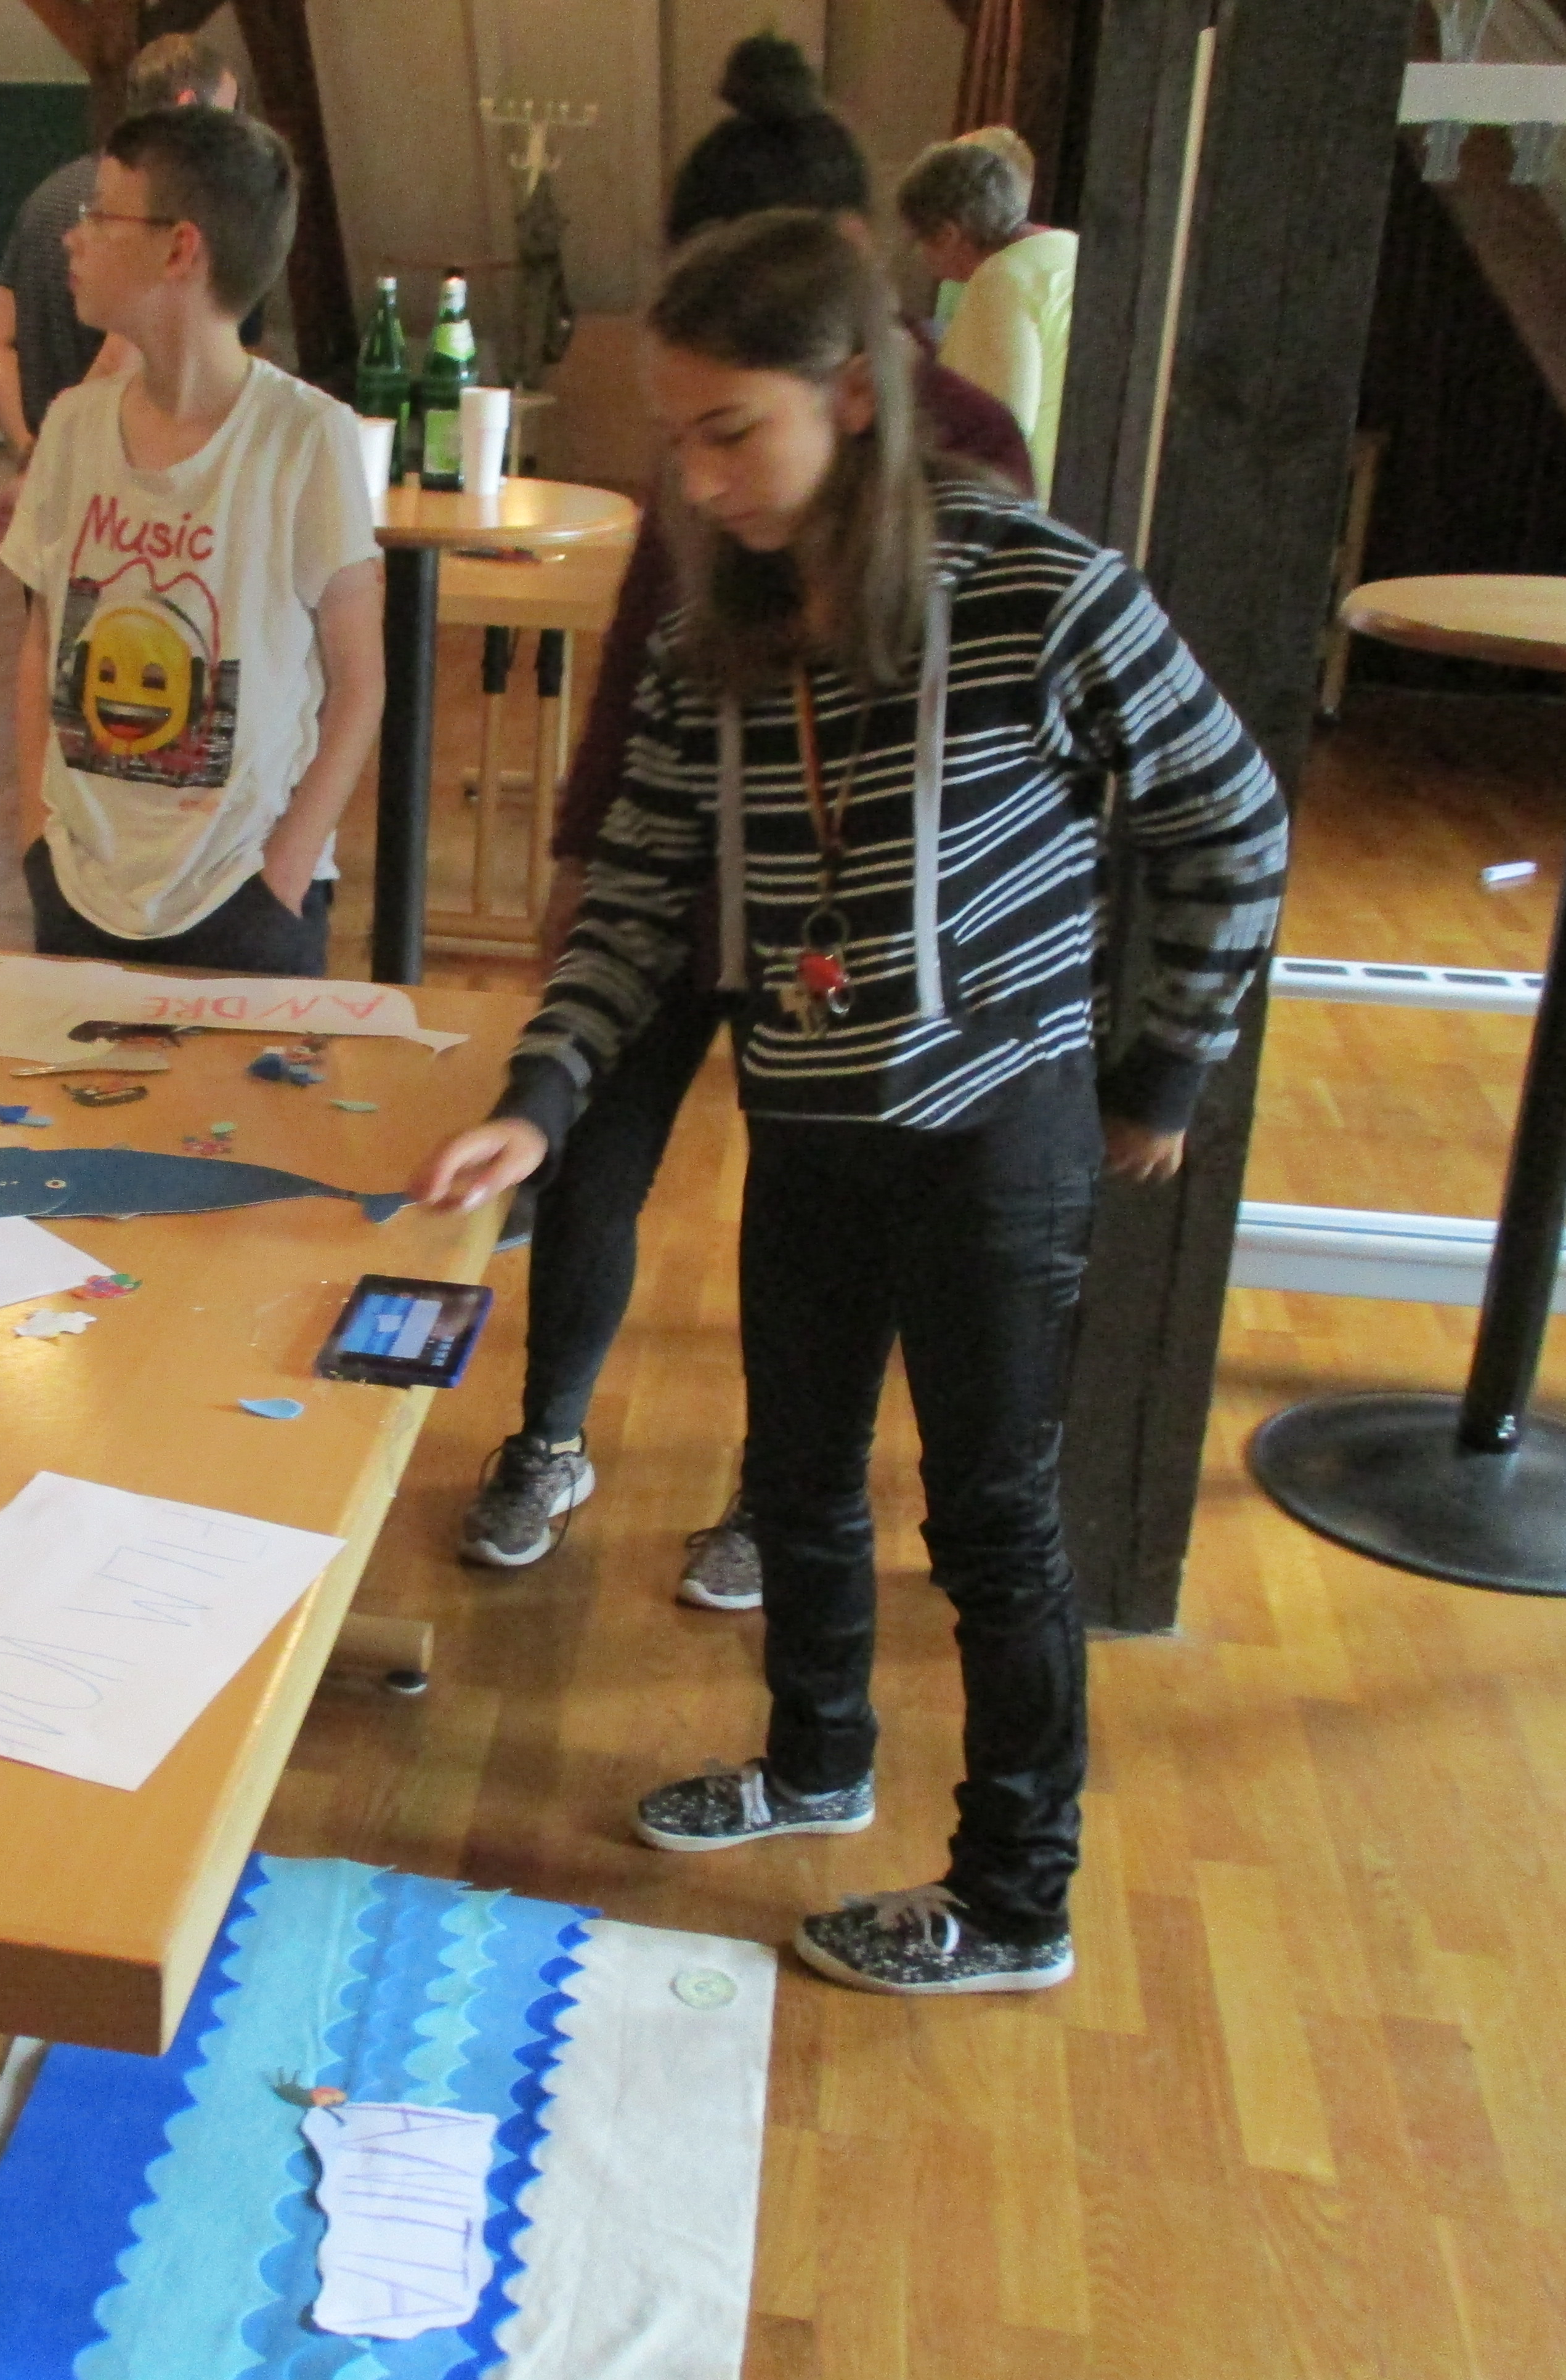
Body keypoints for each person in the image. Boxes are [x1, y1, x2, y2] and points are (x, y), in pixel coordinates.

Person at [411, 209, 1288, 1995]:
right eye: (678, 437)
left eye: (733, 431)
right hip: (807, 1117)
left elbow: (1233, 818)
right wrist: (545, 1096)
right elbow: (640, 895)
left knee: (993, 1528)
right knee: (797, 1478)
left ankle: (1018, 1903)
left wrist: (1165, 1065)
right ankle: (817, 1763)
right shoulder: (708, 635)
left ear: (856, 399)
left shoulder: (1044, 591)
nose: (698, 479)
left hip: (997, 1138)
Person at [458, 32, 1034, 1598]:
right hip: (674, 872)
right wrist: (581, 853)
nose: (705, 467)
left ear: (840, 273)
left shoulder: (970, 450)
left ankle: (781, 1491)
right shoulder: (711, 445)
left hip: (833, 926)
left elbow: (993, 748)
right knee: (592, 1149)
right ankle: (548, 1435)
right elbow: (650, 652)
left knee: (810, 1222)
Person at [0, 106, 381, 978]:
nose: (73, 237)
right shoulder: (72, 427)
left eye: (101, 215)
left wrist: (284, 871)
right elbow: (40, 640)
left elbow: (359, 682)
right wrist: (36, 836)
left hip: (244, 896)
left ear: (180, 249)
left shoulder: (305, 437)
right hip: (78, 886)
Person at [0, 36, 237, 508]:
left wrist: (27, 449)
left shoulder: (46, 197)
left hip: (50, 476)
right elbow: (121, 354)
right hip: (118, 485)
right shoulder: (164, 217)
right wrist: (54, 458)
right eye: (227, 113)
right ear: (188, 105)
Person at [898, 138, 1074, 495]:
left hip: (1028, 504)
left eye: (918, 240)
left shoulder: (1002, 280)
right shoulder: (1067, 249)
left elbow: (992, 438)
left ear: (948, 235)